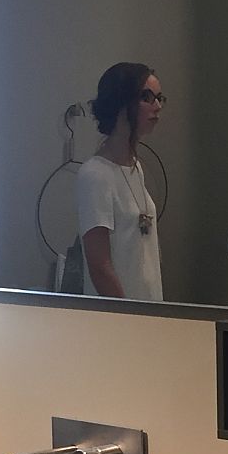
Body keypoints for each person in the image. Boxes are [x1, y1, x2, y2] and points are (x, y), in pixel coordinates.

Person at [75, 62, 167, 300]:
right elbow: (99, 267)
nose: (157, 106)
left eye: (159, 98)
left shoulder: (135, 168)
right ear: (121, 102)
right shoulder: (95, 175)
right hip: (119, 320)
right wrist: (128, 317)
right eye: (146, 97)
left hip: (149, 311)